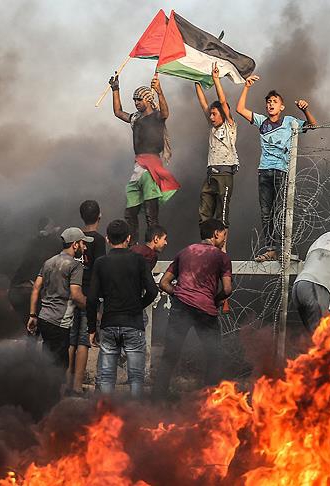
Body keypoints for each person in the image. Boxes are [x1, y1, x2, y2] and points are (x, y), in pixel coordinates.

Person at [236, 75, 317, 262]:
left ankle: (285, 249)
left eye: (275, 101)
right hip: (264, 171)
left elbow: (313, 125)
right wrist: (246, 86)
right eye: (268, 102)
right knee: (266, 213)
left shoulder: (290, 122)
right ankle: (271, 249)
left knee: (282, 210)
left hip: (282, 172)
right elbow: (240, 109)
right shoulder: (262, 122)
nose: (271, 104)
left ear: (281, 106)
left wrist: (306, 110)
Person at [155, 219, 232, 399]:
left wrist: (179, 294)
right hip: (205, 310)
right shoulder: (221, 257)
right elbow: (227, 289)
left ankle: (156, 400)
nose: (224, 239)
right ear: (216, 234)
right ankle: (209, 401)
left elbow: (163, 283)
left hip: (180, 307)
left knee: (169, 355)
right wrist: (214, 299)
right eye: (223, 235)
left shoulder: (185, 252)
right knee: (214, 356)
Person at [87, 219, 159, 398]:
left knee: (106, 377)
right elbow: (152, 290)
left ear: (107, 239)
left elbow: (92, 298)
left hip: (109, 322)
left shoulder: (101, 263)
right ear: (128, 238)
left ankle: (105, 417)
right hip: (133, 323)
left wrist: (91, 328)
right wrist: (137, 306)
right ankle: (135, 418)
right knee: (136, 377)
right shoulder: (139, 260)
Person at [109, 72, 180, 244]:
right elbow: (118, 112)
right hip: (138, 167)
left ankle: (151, 247)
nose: (136, 103)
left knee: (151, 213)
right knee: (130, 212)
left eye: (139, 99)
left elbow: (165, 112)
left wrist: (160, 91)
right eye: (134, 100)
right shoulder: (135, 118)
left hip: (151, 167)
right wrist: (115, 89)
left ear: (148, 99)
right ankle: (132, 246)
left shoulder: (156, 117)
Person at [26, 228, 91, 369]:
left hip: (44, 318)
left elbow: (36, 287)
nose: (84, 247)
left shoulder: (49, 262)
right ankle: (53, 391)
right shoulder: (75, 266)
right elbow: (76, 295)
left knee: (47, 361)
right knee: (59, 368)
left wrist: (32, 315)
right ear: (74, 245)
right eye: (82, 243)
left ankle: (43, 389)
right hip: (59, 323)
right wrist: (91, 307)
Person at [66, 201, 106, 394]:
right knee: (83, 341)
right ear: (99, 215)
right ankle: (76, 386)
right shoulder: (98, 240)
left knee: (71, 340)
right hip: (89, 296)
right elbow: (100, 269)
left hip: (71, 293)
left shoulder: (74, 238)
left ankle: (67, 383)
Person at [194, 63, 239, 226]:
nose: (211, 117)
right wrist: (196, 79)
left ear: (223, 114)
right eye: (210, 114)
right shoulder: (212, 127)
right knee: (204, 213)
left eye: (214, 114)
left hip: (224, 175)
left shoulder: (229, 127)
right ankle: (206, 245)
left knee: (222, 215)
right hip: (210, 174)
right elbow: (203, 102)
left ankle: (222, 249)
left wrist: (215, 80)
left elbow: (223, 101)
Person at [8, 217, 62, 326]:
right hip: (35, 288)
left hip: (18, 288)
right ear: (47, 227)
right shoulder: (53, 243)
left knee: (31, 323)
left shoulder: (32, 242)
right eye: (51, 225)